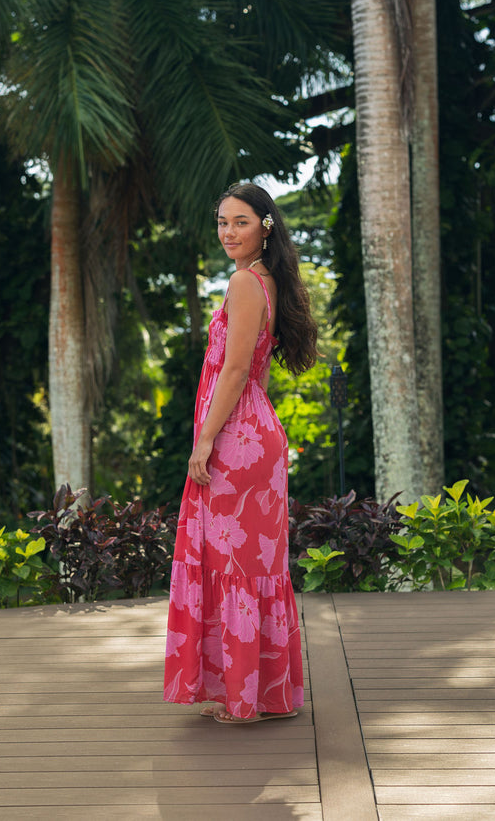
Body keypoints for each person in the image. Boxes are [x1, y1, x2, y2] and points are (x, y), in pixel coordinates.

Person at [163, 182, 318, 724]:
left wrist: (204, 440)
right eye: (223, 221)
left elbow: (233, 370)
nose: (228, 232)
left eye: (240, 222)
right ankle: (267, 694)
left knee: (233, 565)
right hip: (257, 432)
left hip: (237, 436)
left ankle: (243, 699)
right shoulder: (268, 281)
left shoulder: (244, 283)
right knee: (257, 566)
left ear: (264, 227)